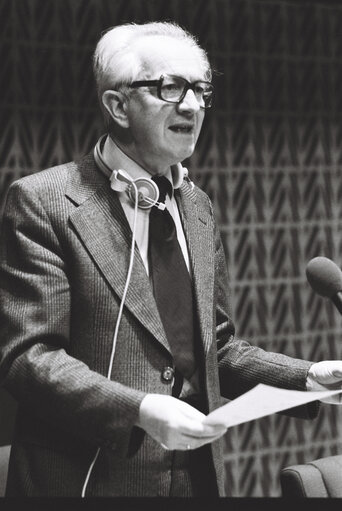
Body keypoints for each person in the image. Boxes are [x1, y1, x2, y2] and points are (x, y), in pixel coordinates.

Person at [0, 21, 342, 498]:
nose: (192, 104)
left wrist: (308, 377)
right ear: (117, 105)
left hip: (197, 479)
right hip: (89, 480)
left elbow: (216, 351)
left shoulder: (195, 204)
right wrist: (139, 408)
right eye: (170, 87)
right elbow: (28, 359)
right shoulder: (45, 202)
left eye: (201, 90)